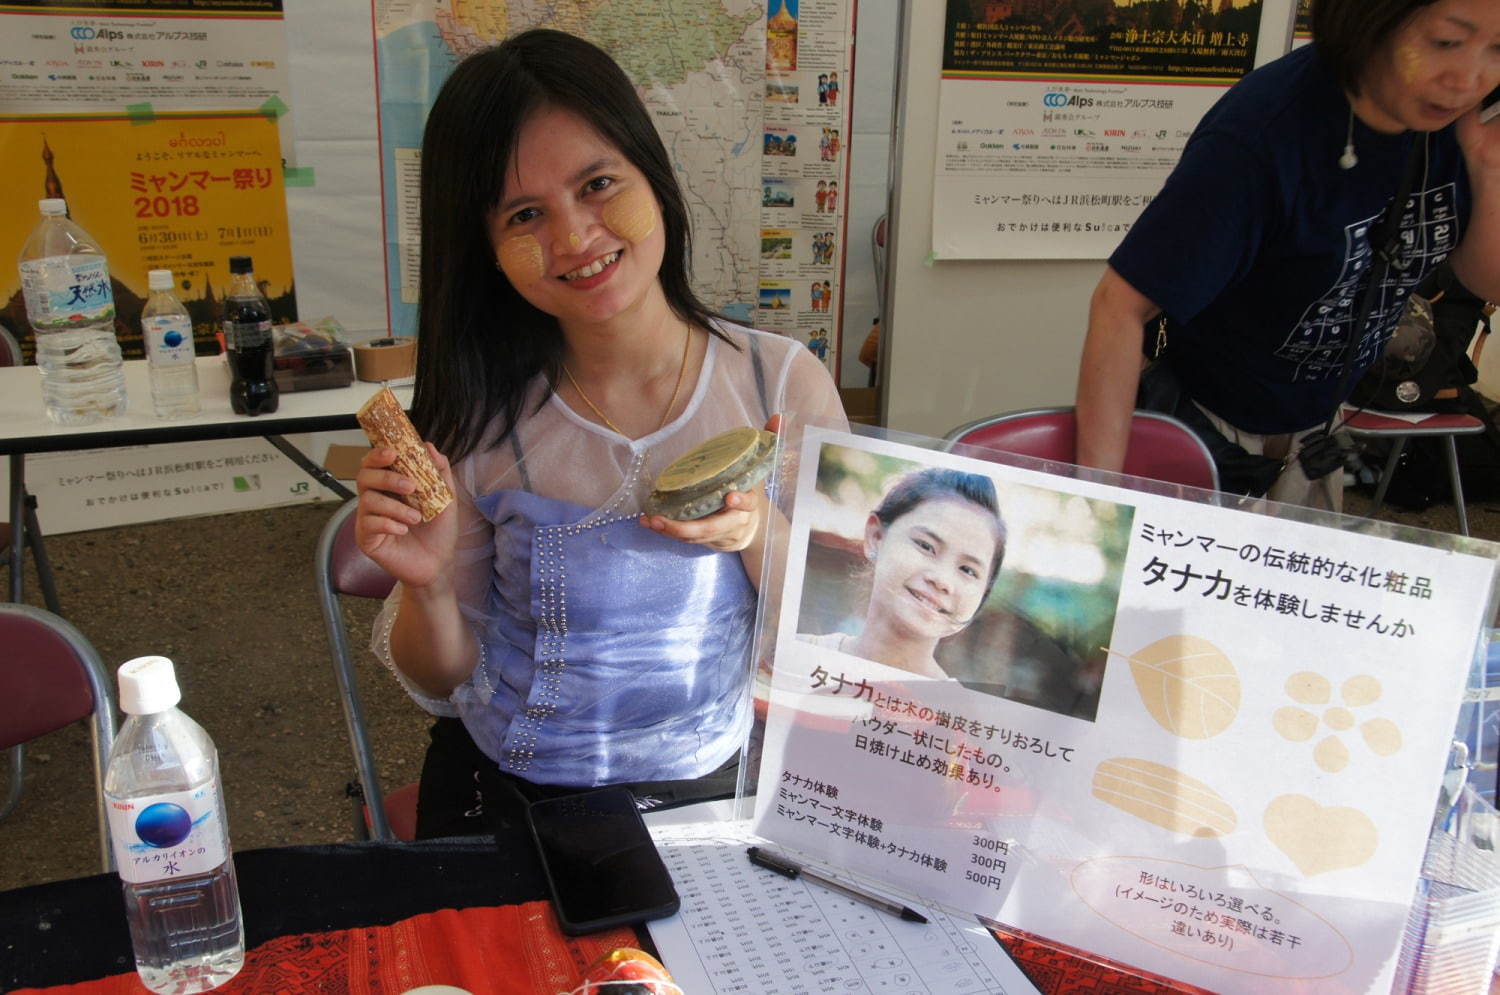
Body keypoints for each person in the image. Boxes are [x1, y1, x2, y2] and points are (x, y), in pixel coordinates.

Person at [355, 29, 845, 838]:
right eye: (525, 214)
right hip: (514, 795)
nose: (576, 236)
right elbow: (447, 678)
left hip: (714, 792)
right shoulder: (478, 419)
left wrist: (759, 529)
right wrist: (429, 585)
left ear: (652, 174)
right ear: (484, 249)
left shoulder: (777, 383)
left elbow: (834, 633)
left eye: (598, 183)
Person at [1076, 0, 1500, 508]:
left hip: (1318, 428)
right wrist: (1098, 501)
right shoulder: (1261, 136)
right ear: (1369, 19)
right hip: (1209, 427)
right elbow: (1118, 306)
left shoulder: (1464, 123)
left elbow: (1484, 282)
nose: (1469, 78)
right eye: (1446, 42)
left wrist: (1486, 167)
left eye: (1499, 49)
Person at [803, 468, 1007, 678]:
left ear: (984, 593)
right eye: (926, 546)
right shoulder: (792, 657)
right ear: (876, 537)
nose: (942, 580)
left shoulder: (957, 709)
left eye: (968, 570)